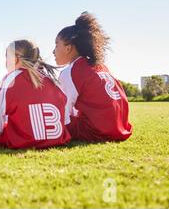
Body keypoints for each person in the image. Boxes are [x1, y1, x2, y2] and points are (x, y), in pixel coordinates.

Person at [53, 12, 132, 141]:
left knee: (52, 119)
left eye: (56, 45)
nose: (53, 51)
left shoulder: (71, 72)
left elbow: (63, 113)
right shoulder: (100, 66)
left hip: (95, 132)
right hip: (120, 129)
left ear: (68, 48)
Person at [0, 39, 71, 149]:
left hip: (23, 142)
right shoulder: (52, 79)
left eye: (7, 57)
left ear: (15, 59)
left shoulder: (10, 80)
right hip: (57, 139)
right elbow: (65, 120)